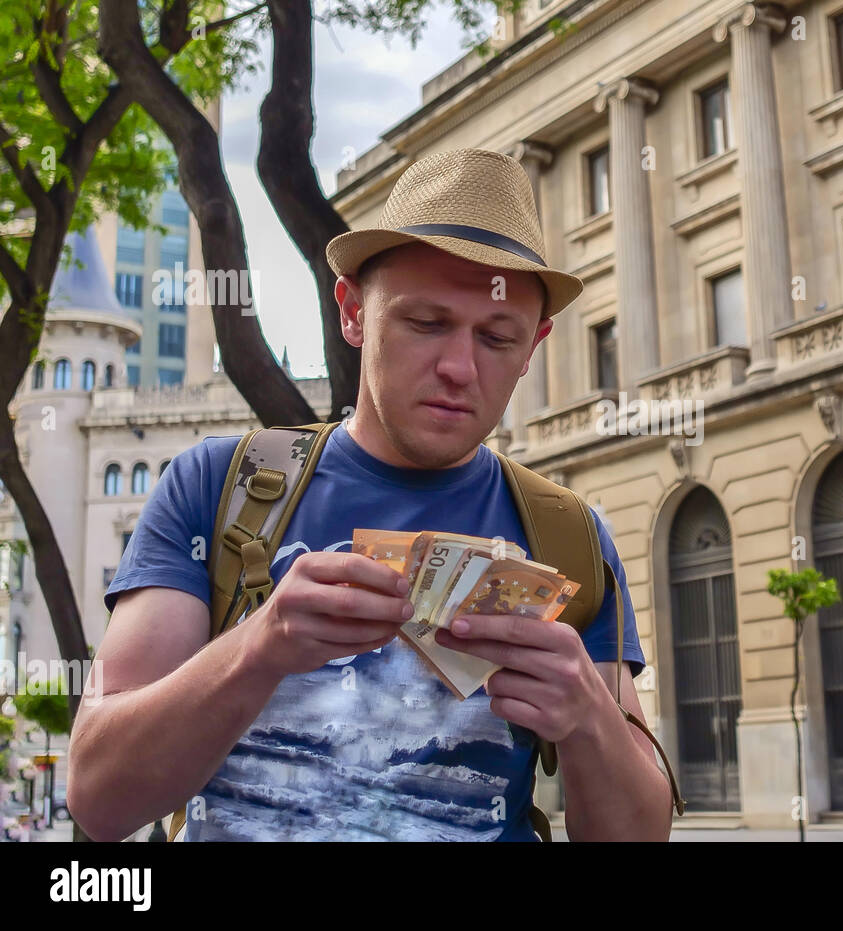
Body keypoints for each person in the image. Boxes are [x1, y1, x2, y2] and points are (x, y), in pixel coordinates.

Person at [67, 149, 673, 842]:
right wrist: (259, 648)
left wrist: (591, 717)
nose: (458, 367)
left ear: (533, 346)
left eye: (497, 337)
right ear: (353, 312)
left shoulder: (567, 534)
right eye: (426, 323)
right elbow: (97, 796)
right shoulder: (216, 488)